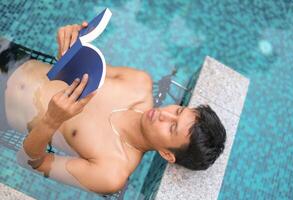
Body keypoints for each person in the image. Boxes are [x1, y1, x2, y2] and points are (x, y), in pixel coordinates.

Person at [5, 22, 226, 194]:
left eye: (172, 128)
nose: (164, 114)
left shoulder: (111, 172)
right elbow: (70, 64)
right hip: (12, 58)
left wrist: (51, 121)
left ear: (167, 154)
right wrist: (70, 41)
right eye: (177, 111)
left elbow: (29, 162)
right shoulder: (139, 83)